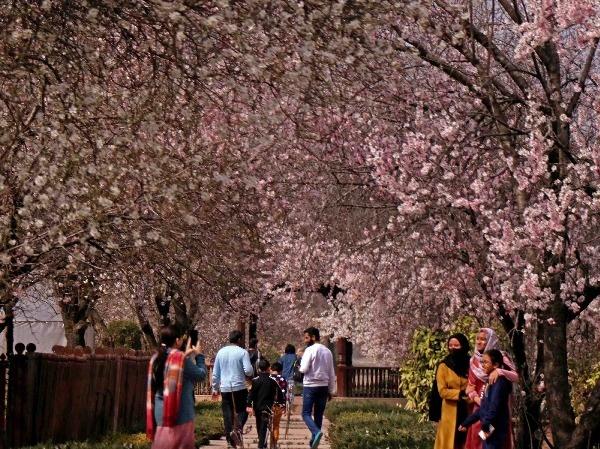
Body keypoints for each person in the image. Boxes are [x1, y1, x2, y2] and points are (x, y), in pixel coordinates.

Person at [146, 325, 206, 449]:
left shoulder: (155, 358)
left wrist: (186, 355)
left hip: (160, 412)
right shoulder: (180, 359)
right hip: (181, 412)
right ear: (177, 340)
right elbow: (201, 375)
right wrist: (199, 356)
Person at [466, 329, 518, 449]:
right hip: (480, 403)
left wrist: (499, 371)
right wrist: (477, 398)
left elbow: (515, 376)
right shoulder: (473, 360)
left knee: (493, 433)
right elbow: (470, 385)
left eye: (483, 339)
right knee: (477, 434)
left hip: (496, 403)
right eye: (478, 339)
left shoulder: (500, 357)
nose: (479, 342)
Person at [458, 350, 513, 449]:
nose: (482, 365)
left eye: (486, 362)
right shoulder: (489, 381)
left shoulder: (499, 383)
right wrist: (466, 423)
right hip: (489, 427)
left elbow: (494, 408)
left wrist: (486, 427)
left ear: (496, 364)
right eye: (482, 362)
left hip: (495, 428)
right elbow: (484, 407)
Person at [212, 330, 254, 449]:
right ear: (239, 339)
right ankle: (238, 429)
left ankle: (230, 441)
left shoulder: (220, 352)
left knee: (227, 414)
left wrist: (215, 388)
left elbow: (215, 374)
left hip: (225, 388)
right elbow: (249, 371)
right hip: (239, 387)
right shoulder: (242, 352)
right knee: (243, 410)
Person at [299, 327, 336, 449]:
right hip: (324, 387)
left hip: (310, 385)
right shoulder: (328, 351)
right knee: (319, 414)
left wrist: (299, 361)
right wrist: (331, 390)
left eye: (306, 337)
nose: (305, 340)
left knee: (305, 413)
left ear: (313, 337)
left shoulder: (309, 350)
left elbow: (303, 369)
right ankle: (313, 441)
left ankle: (316, 432)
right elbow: (331, 372)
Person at [434, 333, 471, 449]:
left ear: (463, 346)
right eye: (450, 345)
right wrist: (460, 393)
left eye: (456, 345)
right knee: (449, 442)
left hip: (468, 408)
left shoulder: (471, 364)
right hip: (450, 411)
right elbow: (442, 391)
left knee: (467, 440)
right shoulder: (443, 366)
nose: (453, 348)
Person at [246, 359, 285, 449]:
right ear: (268, 368)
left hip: (257, 407)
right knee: (264, 426)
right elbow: (279, 393)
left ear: (259, 369)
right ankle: (262, 443)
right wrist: (281, 403)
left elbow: (251, 394)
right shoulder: (272, 381)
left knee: (259, 425)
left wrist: (248, 405)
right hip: (267, 407)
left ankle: (261, 443)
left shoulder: (255, 381)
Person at [269, 361, 288, 449]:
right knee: (276, 424)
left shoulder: (268, 378)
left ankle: (266, 441)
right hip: (278, 406)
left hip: (267, 405)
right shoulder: (282, 379)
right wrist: (284, 405)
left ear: (271, 369)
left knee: (267, 425)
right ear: (281, 371)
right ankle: (275, 443)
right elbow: (284, 393)